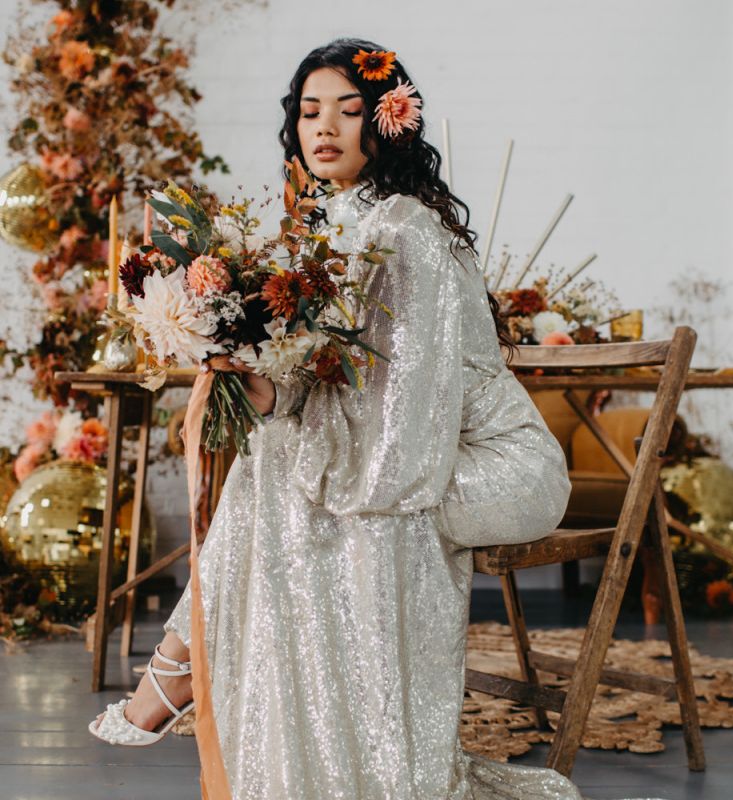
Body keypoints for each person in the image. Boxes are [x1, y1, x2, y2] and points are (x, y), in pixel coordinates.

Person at [89, 37, 590, 799]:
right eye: (309, 111)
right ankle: (250, 713)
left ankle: (183, 673)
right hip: (406, 445)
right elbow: (336, 388)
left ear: (384, 123)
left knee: (296, 483)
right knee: (281, 468)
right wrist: (263, 389)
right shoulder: (320, 230)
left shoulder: (404, 231)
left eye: (350, 111)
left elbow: (403, 424)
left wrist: (292, 421)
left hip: (492, 463)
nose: (324, 127)